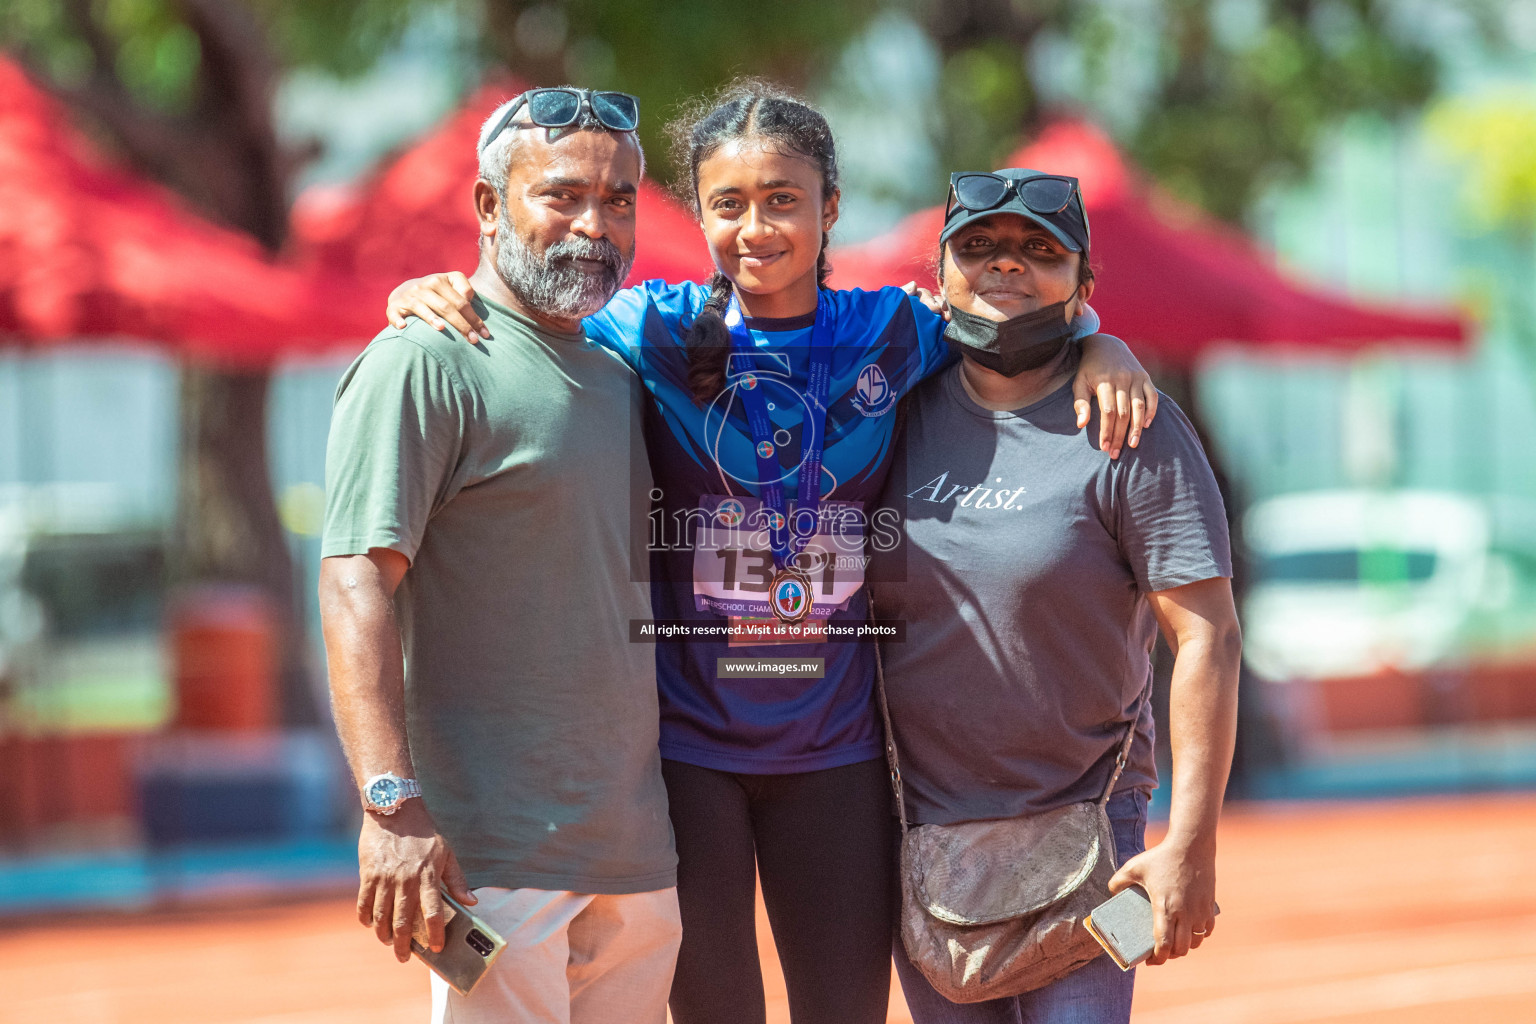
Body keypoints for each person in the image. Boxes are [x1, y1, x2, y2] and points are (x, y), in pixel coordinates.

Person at [383, 81, 1158, 1024]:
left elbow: (1014, 314)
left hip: (835, 757)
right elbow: (522, 302)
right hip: (684, 759)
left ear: (830, 207)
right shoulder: (646, 329)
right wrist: (432, 286)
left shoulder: (896, 332)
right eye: (729, 204)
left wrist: (1097, 338)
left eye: (783, 200)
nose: (757, 228)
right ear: (699, 212)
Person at [318, 87, 680, 1024]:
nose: (593, 226)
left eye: (619, 201)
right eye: (561, 196)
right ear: (488, 207)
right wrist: (392, 808)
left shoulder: (620, 373)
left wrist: (1093, 345)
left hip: (638, 861)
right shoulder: (423, 361)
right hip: (495, 869)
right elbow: (356, 580)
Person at [870, 167, 1242, 1024]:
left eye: (1040, 251)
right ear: (940, 277)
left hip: (1096, 834)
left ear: (1082, 285)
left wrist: (1192, 843)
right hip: (921, 839)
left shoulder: (1130, 427)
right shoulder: (888, 410)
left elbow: (1208, 637)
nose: (1007, 266)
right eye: (980, 248)